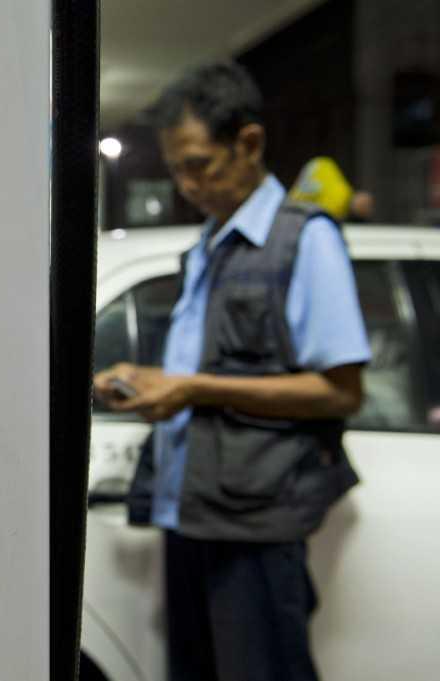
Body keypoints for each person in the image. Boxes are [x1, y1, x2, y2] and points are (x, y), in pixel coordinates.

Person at [93, 62, 371, 681]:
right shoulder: (208, 247)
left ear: (249, 143)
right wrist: (149, 378)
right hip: (191, 508)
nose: (187, 184)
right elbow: (209, 365)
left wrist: (191, 388)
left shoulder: (305, 241)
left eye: (200, 165)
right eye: (176, 169)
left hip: (254, 518)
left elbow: (340, 391)